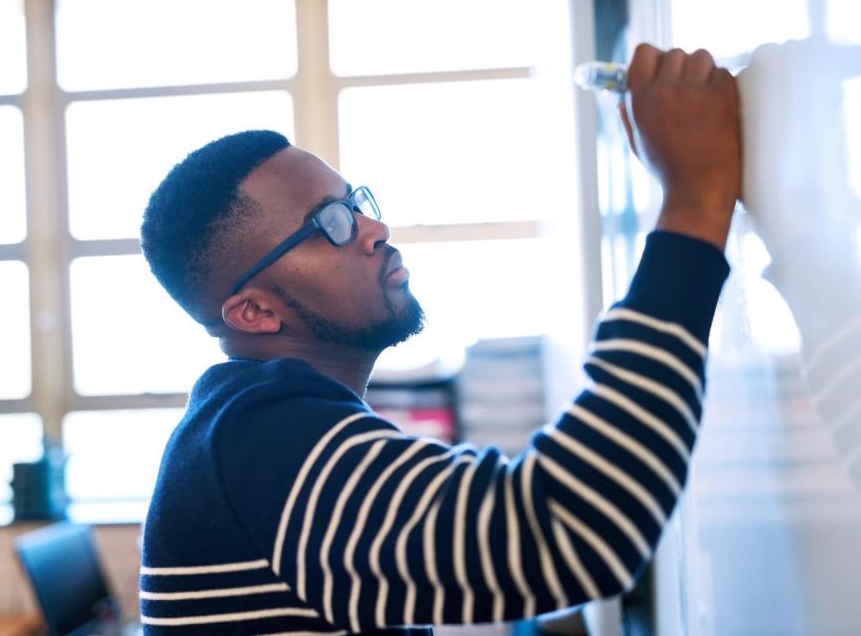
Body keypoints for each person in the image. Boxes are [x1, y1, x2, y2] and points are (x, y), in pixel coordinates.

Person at [137, 43, 740, 635]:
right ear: (254, 311)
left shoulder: (256, 425)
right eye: (329, 225)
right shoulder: (260, 439)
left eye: (356, 203)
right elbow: (566, 531)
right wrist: (693, 201)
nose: (374, 229)